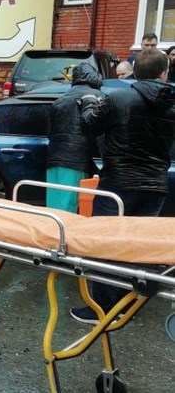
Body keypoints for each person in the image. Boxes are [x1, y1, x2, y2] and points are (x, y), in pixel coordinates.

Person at [71, 49, 175, 324]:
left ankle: (102, 309)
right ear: (164, 72)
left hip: (119, 184)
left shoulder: (118, 97)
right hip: (155, 186)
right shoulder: (172, 104)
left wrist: (89, 103)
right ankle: (128, 303)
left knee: (105, 244)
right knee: (137, 246)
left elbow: (88, 126)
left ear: (135, 72)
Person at [45, 62, 103, 213]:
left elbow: (50, 132)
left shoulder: (59, 101)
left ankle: (52, 236)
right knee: (71, 211)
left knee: (54, 210)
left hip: (54, 159)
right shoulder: (97, 97)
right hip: (77, 160)